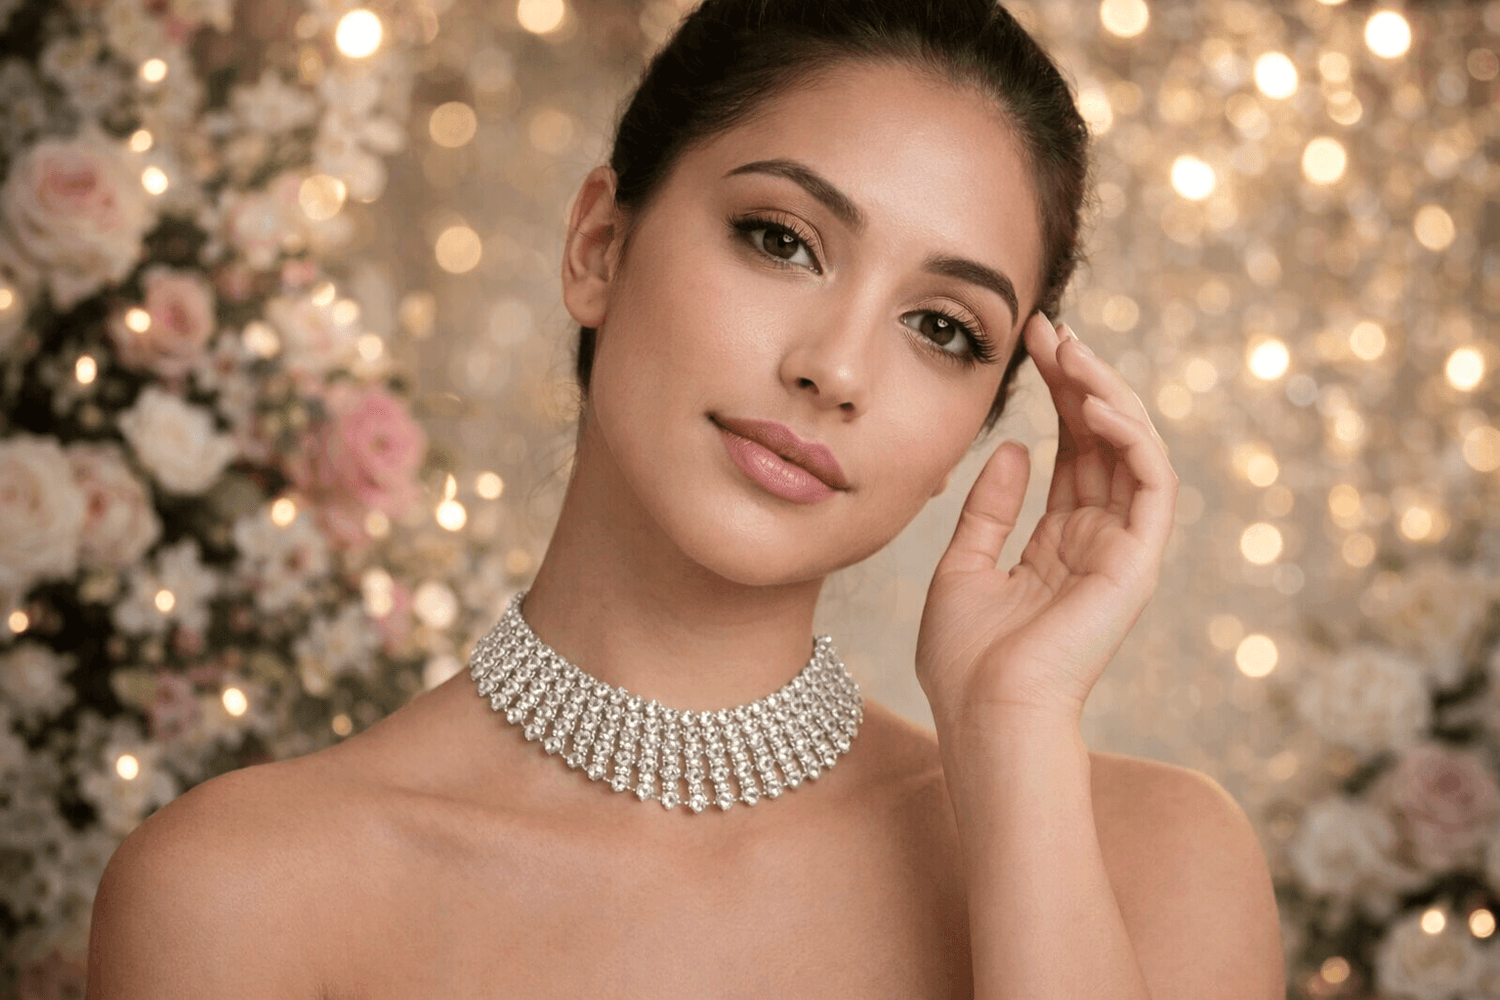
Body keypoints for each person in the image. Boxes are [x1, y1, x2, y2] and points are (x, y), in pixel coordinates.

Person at [86, 1, 1285, 996]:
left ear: (975, 428)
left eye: (942, 328)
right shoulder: (244, 893)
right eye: (780, 238)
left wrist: (1014, 732)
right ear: (599, 246)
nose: (837, 366)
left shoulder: (1155, 863)